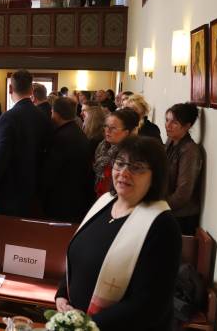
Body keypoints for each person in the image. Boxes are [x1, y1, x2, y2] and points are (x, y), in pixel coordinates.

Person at [55, 136, 181, 331]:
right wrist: (63, 293)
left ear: (155, 175)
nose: (124, 172)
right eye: (119, 163)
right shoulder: (104, 203)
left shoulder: (161, 226)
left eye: (137, 167)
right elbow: (79, 257)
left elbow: (151, 305)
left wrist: (89, 325)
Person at [0, 69, 49, 217]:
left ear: (10, 89)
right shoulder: (43, 116)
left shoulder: (8, 117)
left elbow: (1, 156)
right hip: (35, 189)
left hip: (10, 191)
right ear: (32, 90)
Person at [43, 98, 94, 222]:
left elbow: (51, 171)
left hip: (63, 199)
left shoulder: (61, 137)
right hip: (78, 195)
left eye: (52, 112)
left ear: (56, 113)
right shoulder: (77, 131)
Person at [164, 103, 202, 235]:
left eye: (174, 122)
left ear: (187, 126)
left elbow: (183, 194)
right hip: (167, 210)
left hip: (181, 217)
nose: (167, 125)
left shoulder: (190, 150)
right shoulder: (170, 141)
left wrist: (159, 207)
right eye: (167, 120)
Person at [93, 109, 140, 198]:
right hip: (100, 198)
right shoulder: (102, 146)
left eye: (113, 128)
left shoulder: (130, 155)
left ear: (127, 132)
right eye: (106, 126)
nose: (107, 131)